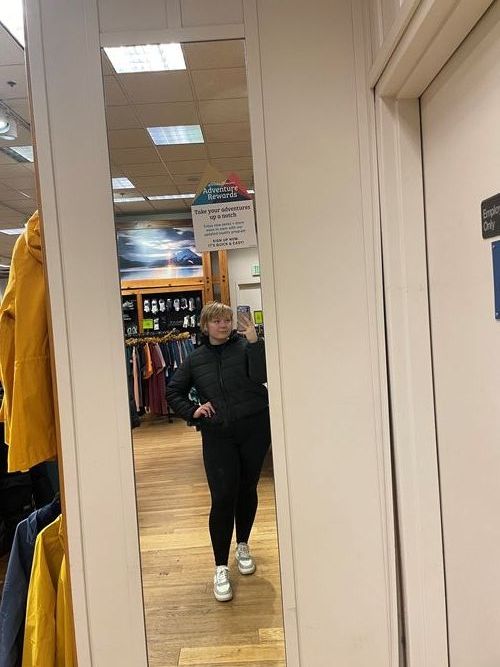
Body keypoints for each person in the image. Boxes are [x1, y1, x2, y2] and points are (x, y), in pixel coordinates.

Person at [166, 301, 271, 602]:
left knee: (247, 488)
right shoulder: (195, 359)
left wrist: (255, 342)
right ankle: (221, 567)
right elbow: (173, 390)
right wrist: (193, 410)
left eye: (227, 320)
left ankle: (243, 545)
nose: (223, 325)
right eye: (217, 321)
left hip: (254, 428)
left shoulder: (246, 347)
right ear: (205, 325)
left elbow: (262, 376)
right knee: (223, 496)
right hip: (218, 434)